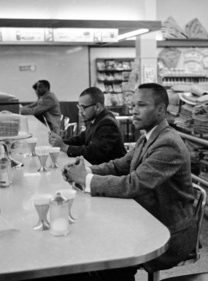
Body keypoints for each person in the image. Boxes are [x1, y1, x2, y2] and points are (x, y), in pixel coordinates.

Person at [63, 83, 197, 281]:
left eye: (141, 105)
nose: (133, 111)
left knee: (109, 255)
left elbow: (133, 184)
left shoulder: (168, 143)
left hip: (168, 231)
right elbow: (120, 165)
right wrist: (86, 171)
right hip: (148, 216)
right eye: (132, 105)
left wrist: (86, 179)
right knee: (97, 241)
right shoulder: (148, 137)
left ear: (161, 110)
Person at [48, 87, 126, 165]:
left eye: (83, 108)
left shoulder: (108, 123)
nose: (80, 112)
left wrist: (64, 147)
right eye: (79, 107)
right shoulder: (94, 118)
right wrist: (60, 141)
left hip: (111, 174)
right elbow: (81, 138)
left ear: (97, 107)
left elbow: (93, 152)